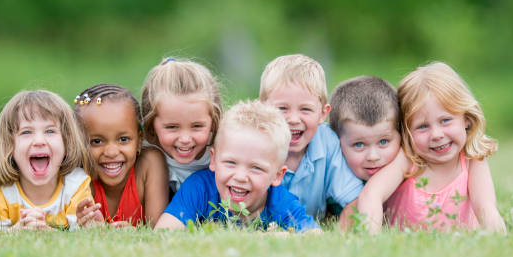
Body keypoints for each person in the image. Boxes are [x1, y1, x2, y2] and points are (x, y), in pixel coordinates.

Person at [357, 62, 507, 234]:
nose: (436, 135)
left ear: (467, 118)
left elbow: (486, 210)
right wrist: (371, 238)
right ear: (407, 131)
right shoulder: (408, 160)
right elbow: (371, 195)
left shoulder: (472, 160)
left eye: (445, 121)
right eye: (422, 126)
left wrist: (501, 240)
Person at [154, 100, 319, 232]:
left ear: (277, 175)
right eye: (231, 163)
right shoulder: (200, 188)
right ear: (214, 159)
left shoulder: (280, 202)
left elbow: (314, 237)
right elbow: (164, 232)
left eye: (256, 168)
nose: (240, 177)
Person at [259, 54, 362, 225]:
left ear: (322, 114)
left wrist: (342, 237)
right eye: (282, 108)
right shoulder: (254, 142)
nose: (293, 119)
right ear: (263, 109)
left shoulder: (327, 142)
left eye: (305, 109)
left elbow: (353, 199)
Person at [0, 90, 94, 230]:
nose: (39, 141)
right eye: (26, 132)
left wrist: (48, 231)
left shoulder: (76, 185)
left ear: (67, 141)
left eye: (50, 131)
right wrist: (16, 230)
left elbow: (79, 232)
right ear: (9, 145)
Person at [73, 84, 168, 227]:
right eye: (97, 141)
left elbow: (158, 229)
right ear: (79, 142)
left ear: (139, 140)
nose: (111, 152)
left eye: (123, 139)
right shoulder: (79, 176)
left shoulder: (149, 164)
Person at [141, 57, 223, 194]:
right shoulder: (147, 155)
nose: (185, 139)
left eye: (197, 126)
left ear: (213, 122)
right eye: (172, 127)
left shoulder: (223, 152)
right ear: (152, 125)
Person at [329, 76, 401, 181]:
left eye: (383, 142)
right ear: (336, 141)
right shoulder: (332, 186)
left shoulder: (417, 179)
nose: (373, 157)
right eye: (359, 145)